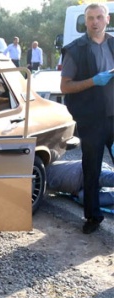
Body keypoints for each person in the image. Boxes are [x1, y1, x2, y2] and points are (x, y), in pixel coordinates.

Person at [60, 3, 114, 234]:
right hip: (91, 121)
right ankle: (93, 217)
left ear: (107, 19)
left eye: (99, 17)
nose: (94, 22)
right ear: (86, 21)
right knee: (91, 169)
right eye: (90, 18)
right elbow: (65, 86)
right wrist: (94, 81)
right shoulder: (76, 49)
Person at [47, 160, 114, 206]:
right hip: (81, 187)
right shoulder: (42, 184)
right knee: (84, 198)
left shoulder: (44, 163)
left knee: (97, 177)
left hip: (86, 170)